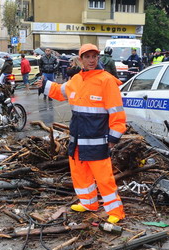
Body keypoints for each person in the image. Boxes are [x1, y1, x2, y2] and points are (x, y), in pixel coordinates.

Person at [37, 44, 126, 224]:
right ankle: (88, 203)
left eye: (94, 56)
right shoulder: (77, 79)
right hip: (77, 137)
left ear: (98, 58)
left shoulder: (106, 81)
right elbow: (61, 91)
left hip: (97, 139)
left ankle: (116, 211)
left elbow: (117, 113)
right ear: (80, 59)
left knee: (104, 178)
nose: (91, 60)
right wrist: (45, 85)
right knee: (80, 174)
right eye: (87, 57)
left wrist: (113, 139)